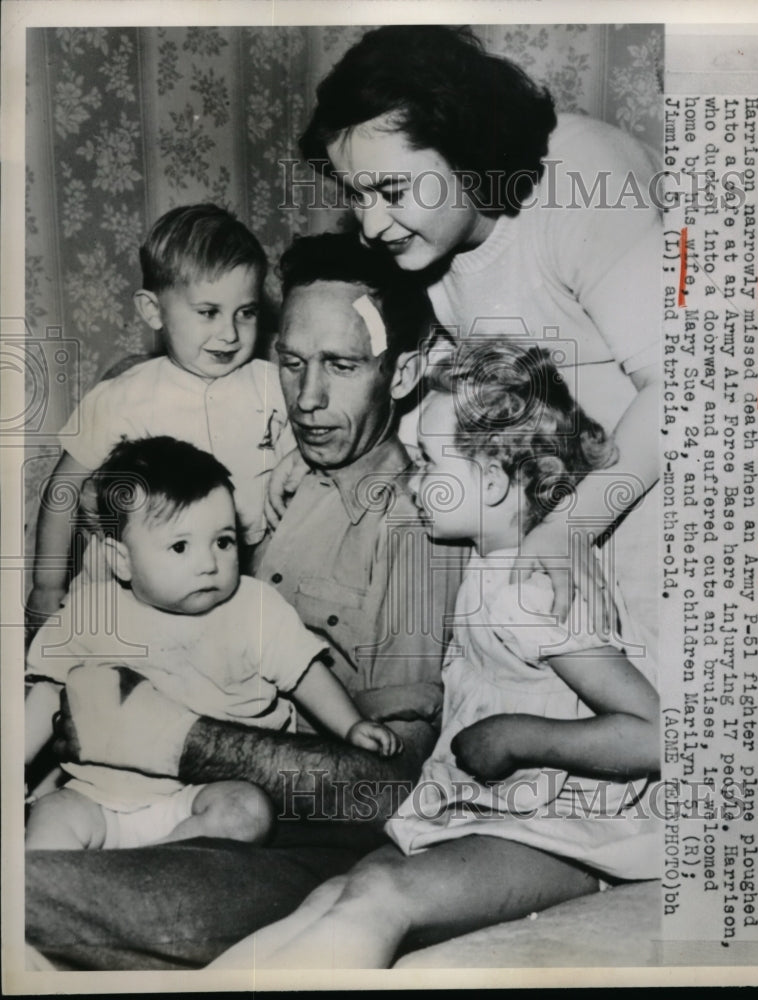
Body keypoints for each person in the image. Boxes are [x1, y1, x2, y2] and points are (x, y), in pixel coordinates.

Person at [25, 233, 464, 970]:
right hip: (129, 782)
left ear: (403, 372)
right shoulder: (269, 466)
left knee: (39, 894)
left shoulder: (416, 527)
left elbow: (389, 791)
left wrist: (162, 732)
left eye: (342, 366)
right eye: (291, 364)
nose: (309, 399)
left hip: (289, 837)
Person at [211, 341, 660, 970]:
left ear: (498, 481)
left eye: (426, 462)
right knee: (334, 891)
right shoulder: (487, 564)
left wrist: (517, 735)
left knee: (378, 893)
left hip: (574, 836)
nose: (410, 479)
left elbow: (654, 735)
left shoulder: (531, 591)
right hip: (494, 813)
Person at [298, 24, 662, 638]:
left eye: (391, 190)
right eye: (355, 196)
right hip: (574, 507)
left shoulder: (585, 181)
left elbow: (683, 390)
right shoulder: (422, 245)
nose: (371, 225)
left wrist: (568, 528)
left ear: (468, 149)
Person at [25, 436, 401, 851]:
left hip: (198, 798)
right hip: (97, 797)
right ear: (121, 560)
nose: (209, 564)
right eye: (180, 546)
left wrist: (350, 726)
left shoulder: (253, 608)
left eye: (223, 541)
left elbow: (306, 675)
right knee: (52, 817)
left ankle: (149, 868)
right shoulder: (91, 611)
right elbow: (47, 692)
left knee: (247, 810)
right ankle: (65, 881)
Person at [26, 203, 293, 635]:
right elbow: (62, 488)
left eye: (245, 312)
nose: (230, 333)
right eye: (208, 312)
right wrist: (46, 584)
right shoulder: (121, 397)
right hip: (127, 598)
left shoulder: (275, 386)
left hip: (231, 587)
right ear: (153, 311)